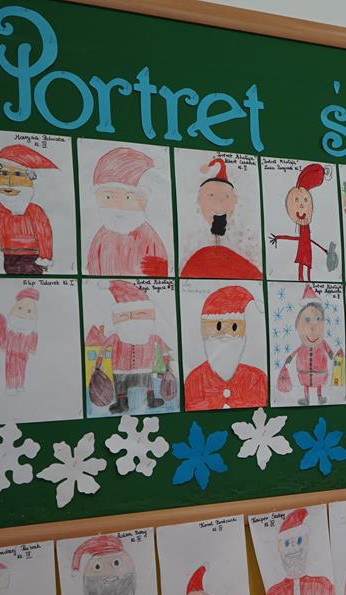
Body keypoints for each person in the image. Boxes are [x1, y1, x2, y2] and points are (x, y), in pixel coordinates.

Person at [0, 144, 56, 275]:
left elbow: (44, 234)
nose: (10, 182)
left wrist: (45, 257)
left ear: (29, 179)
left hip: (33, 259)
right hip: (9, 259)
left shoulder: (35, 210)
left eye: (17, 174)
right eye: (4, 173)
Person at [85, 146, 169, 277]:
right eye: (108, 197)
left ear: (143, 200)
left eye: (128, 197)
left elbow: (160, 276)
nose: (118, 205)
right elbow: (92, 270)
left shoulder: (149, 239)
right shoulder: (101, 237)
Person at [95, 281, 174, 414]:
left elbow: (163, 349)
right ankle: (122, 404)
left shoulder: (151, 337)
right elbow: (103, 349)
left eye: (140, 315)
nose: (132, 321)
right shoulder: (116, 337)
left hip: (144, 368)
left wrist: (167, 366)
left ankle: (150, 400)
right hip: (120, 370)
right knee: (121, 385)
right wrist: (98, 365)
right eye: (126, 316)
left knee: (146, 382)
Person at [184, 285, 267, 410]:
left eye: (234, 328)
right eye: (218, 327)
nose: (225, 336)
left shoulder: (257, 380)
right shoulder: (194, 382)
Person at [180, 156, 262, 279]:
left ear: (235, 200)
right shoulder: (192, 243)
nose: (219, 201)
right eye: (211, 195)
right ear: (199, 199)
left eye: (226, 196)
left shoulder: (245, 244)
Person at [265, 509, 337, 595]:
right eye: (287, 543)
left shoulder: (324, 587)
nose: (293, 549)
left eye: (298, 541)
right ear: (280, 549)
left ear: (306, 543)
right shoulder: (273, 594)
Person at [268, 163, 331, 281]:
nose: (302, 205)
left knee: (305, 269)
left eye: (305, 200)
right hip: (304, 252)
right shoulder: (303, 231)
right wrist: (278, 237)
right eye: (297, 200)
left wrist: (324, 250)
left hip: (306, 253)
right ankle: (303, 280)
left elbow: (306, 240)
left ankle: (306, 281)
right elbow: (301, 239)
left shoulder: (306, 230)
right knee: (303, 269)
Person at [0, 287, 40, 395]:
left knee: (22, 369)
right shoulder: (10, 331)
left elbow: (33, 341)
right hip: (11, 355)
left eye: (29, 311)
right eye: (19, 308)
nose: (23, 313)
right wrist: (3, 346)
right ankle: (10, 386)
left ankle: (19, 385)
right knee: (11, 370)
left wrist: (32, 348)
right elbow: (6, 340)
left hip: (23, 355)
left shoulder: (31, 333)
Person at [282, 286, 334, 405]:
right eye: (307, 320)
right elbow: (296, 351)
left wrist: (331, 353)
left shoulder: (322, 343)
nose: (313, 327)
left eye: (318, 319)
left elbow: (328, 348)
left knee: (319, 383)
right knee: (305, 384)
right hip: (304, 371)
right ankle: (306, 398)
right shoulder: (303, 345)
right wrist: (290, 357)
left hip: (319, 371)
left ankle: (319, 397)